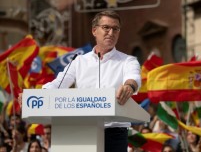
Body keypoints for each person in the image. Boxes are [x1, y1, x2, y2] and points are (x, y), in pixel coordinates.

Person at [19, 10, 141, 152]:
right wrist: (33, 97)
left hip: (114, 132)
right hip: (83, 131)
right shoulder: (79, 61)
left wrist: (129, 86)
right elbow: (57, 84)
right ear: (95, 31)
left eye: (116, 29)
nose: (111, 32)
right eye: (106, 27)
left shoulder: (128, 60)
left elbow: (133, 78)